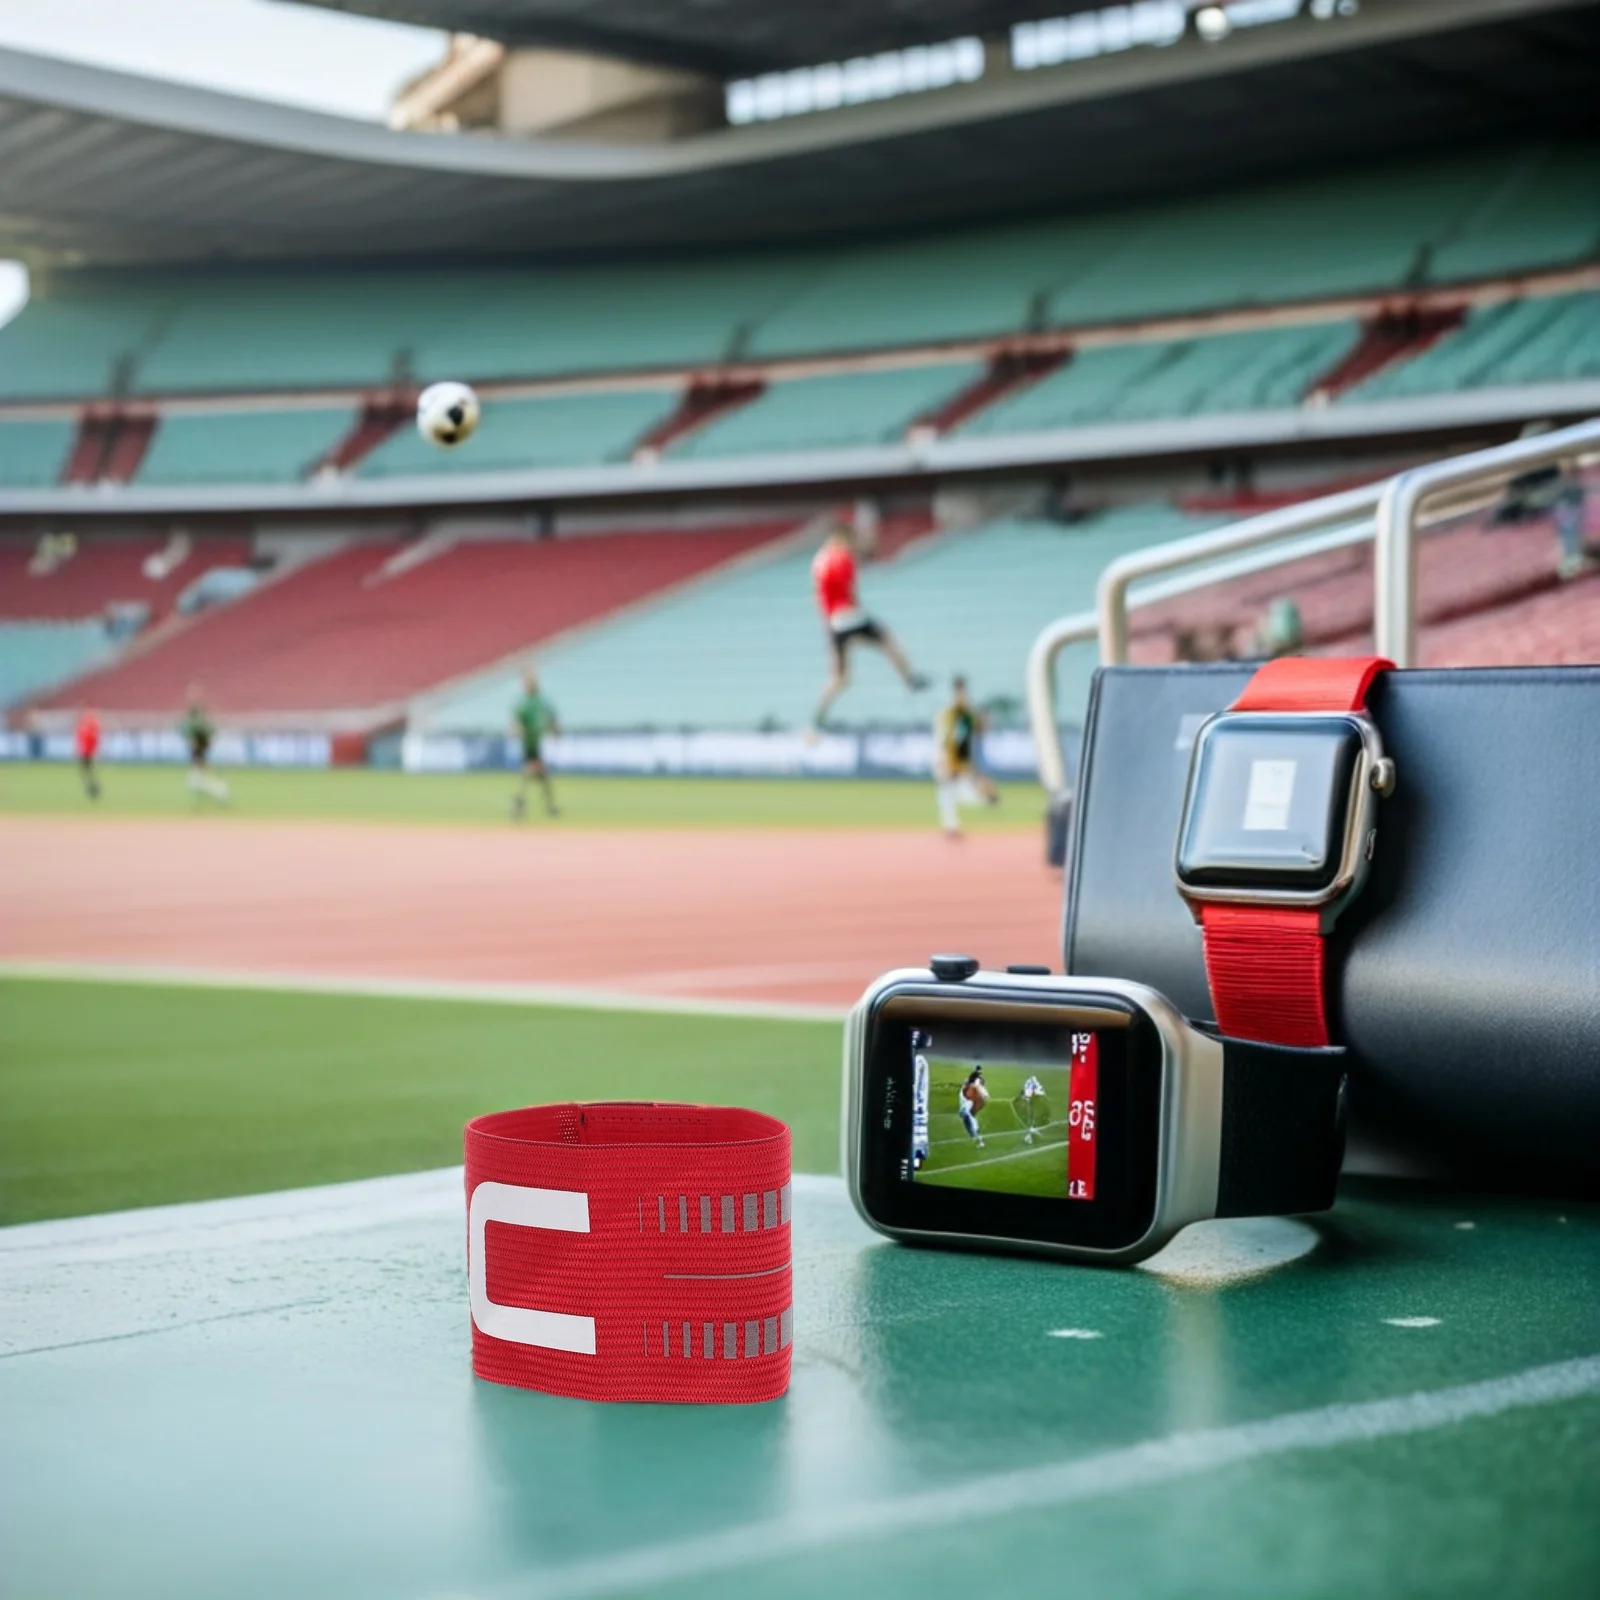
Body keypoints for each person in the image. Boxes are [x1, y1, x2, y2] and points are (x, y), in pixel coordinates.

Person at [810, 523, 928, 728]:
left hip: (833, 623)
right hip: (850, 617)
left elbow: (819, 595)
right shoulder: (844, 558)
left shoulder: (819, 560)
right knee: (887, 640)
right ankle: (910, 679)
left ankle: (818, 714)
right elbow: (850, 590)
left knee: (840, 678)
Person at [933, 675, 999, 838]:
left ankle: (984, 799)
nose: (962, 694)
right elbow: (943, 735)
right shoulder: (951, 711)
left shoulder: (966, 712)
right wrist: (941, 757)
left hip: (960, 755)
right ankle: (951, 824)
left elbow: (978, 731)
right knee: (948, 790)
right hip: (950, 755)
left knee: (957, 790)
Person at [510, 667, 560, 819]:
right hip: (530, 743)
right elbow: (516, 721)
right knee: (534, 771)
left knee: (540, 774)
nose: (528, 685)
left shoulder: (539, 701)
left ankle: (522, 802)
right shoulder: (524, 703)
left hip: (538, 741)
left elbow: (551, 717)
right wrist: (517, 731)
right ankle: (524, 802)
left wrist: (554, 729)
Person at [181, 685, 229, 803]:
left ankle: (221, 791)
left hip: (198, 762)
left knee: (196, 783)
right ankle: (218, 792)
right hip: (198, 761)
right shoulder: (200, 737)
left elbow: (198, 753)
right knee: (196, 783)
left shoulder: (199, 739)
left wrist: (194, 697)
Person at [957, 1065, 988, 1149]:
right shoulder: (974, 1081)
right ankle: (977, 1138)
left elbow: (976, 1088)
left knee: (969, 1119)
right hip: (968, 1103)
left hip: (968, 1104)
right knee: (968, 1119)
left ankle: (979, 1140)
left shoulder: (975, 1082)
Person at [75, 707, 101, 801]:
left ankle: (93, 788)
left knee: (88, 772)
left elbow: (91, 741)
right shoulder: (88, 729)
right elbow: (81, 741)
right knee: (87, 773)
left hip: (88, 753)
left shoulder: (88, 729)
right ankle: (92, 788)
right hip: (86, 753)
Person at [1016, 1072, 1048, 1146]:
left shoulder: (1027, 1091)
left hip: (1039, 1097)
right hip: (1040, 1096)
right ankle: (1032, 1133)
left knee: (1033, 1116)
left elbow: (1029, 1102)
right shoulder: (1028, 1086)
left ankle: (1030, 1135)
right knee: (1034, 1116)